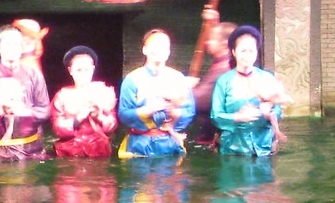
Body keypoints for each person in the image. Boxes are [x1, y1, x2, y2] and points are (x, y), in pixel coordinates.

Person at [210, 26, 292, 156]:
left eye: (251, 51)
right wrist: (238, 117)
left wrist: (268, 114)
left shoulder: (267, 78)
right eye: (243, 51)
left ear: (256, 52)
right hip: (232, 150)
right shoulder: (223, 81)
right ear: (234, 52)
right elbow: (215, 116)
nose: (247, 55)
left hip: (263, 148)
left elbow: (278, 110)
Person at [118, 28, 197, 158]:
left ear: (169, 51)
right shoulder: (132, 79)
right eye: (154, 45)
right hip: (139, 144)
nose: (159, 49)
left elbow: (189, 112)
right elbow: (123, 114)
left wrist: (173, 112)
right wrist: (147, 111)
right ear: (144, 50)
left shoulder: (178, 78)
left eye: (163, 46)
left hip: (170, 143)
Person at [0, 24, 50, 160]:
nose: (12, 48)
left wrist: (23, 112)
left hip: (29, 150)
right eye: (7, 43)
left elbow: (44, 111)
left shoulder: (34, 74)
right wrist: (0, 112)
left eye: (16, 44)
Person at [50, 45, 118, 158]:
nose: (83, 74)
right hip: (70, 151)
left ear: (93, 69)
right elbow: (57, 128)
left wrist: (99, 116)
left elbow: (113, 124)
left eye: (87, 69)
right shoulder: (61, 95)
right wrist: (77, 119)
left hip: (99, 149)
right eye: (79, 70)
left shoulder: (104, 92)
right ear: (70, 71)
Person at [191, 8, 236, 147]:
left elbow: (198, 101)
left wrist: (185, 88)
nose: (207, 42)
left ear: (224, 44)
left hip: (217, 140)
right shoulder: (223, 63)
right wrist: (213, 23)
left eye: (211, 39)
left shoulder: (224, 72)